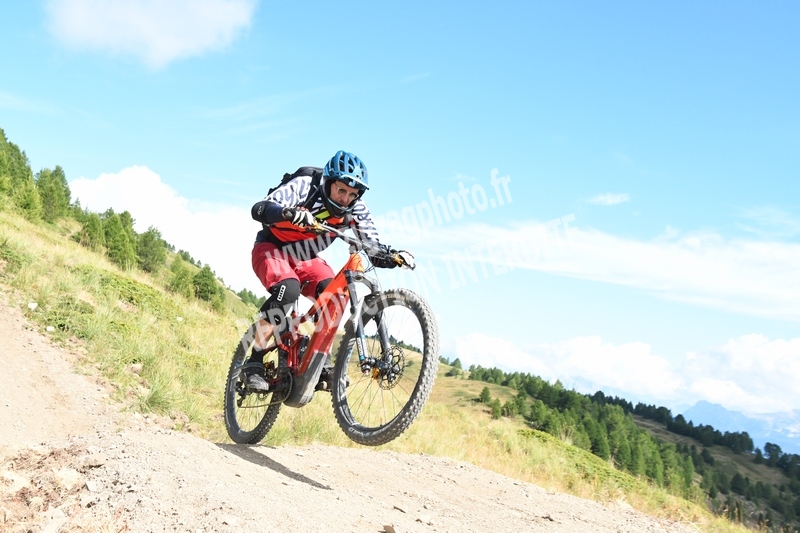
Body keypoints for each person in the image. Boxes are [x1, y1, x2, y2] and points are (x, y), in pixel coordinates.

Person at [245, 150, 414, 392]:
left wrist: (393, 256)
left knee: (332, 292)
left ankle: (319, 362)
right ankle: (254, 360)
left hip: (306, 258)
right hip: (272, 248)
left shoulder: (357, 208)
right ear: (329, 182)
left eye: (353, 194)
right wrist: (288, 213)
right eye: (341, 190)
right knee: (288, 290)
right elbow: (260, 208)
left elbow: (372, 247)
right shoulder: (306, 186)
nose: (346, 199)